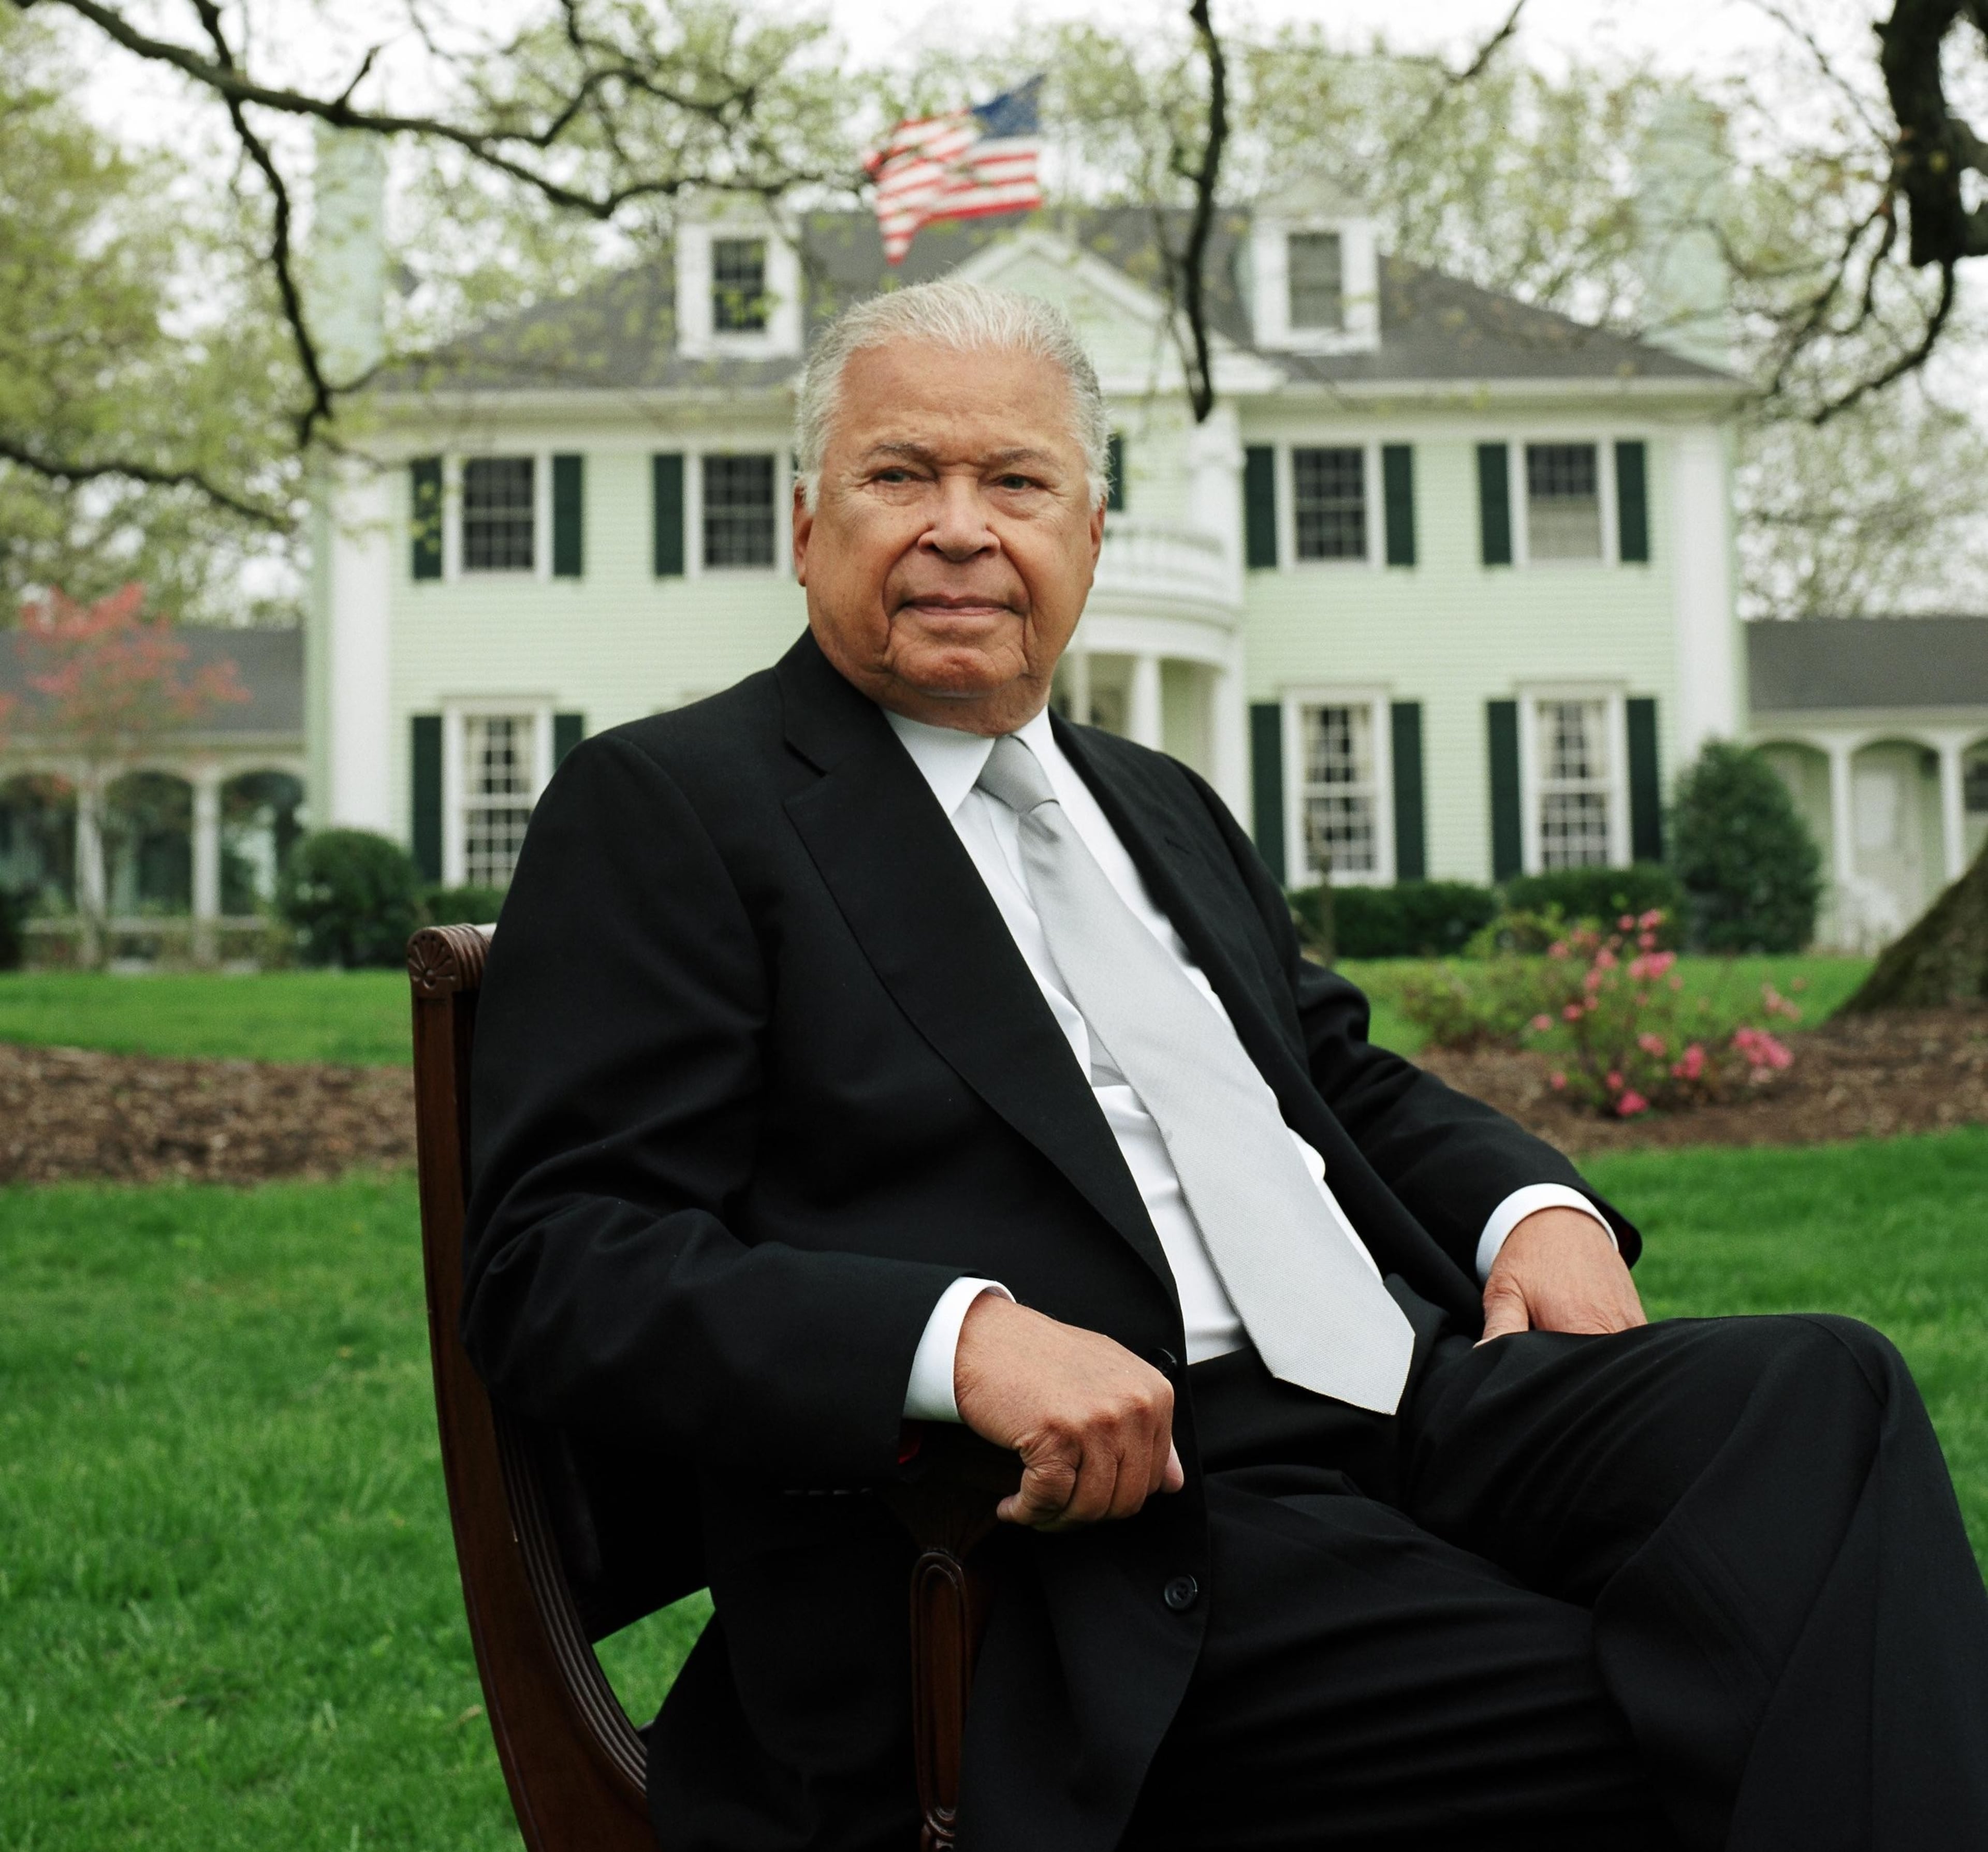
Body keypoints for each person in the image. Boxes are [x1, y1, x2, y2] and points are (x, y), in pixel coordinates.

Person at [462, 281, 1988, 1852]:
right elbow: (563, 1263)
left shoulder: (1156, 804)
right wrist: (962, 1338)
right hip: (1079, 1544)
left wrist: (1534, 1211)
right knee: (1736, 1687)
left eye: (1018, 481)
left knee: (1827, 1394)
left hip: (1406, 1404)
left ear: (1094, 538)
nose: (962, 528)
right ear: (805, 527)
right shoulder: (675, 806)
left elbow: (1339, 1081)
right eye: (900, 475)